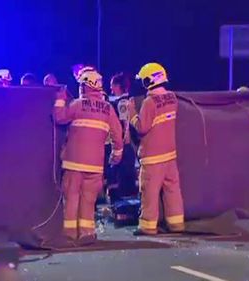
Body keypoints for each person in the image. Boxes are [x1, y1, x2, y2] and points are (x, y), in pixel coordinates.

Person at [54, 67, 124, 245]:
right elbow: (117, 134)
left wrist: (60, 99)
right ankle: (87, 233)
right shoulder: (108, 109)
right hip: (95, 165)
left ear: (86, 86)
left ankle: (69, 234)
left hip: (73, 163)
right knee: (88, 200)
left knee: (71, 199)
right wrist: (116, 155)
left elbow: (59, 117)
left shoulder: (77, 105)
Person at [128, 62, 184, 236]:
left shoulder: (149, 102)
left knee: (149, 193)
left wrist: (132, 115)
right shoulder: (172, 97)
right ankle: (176, 224)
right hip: (170, 154)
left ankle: (147, 226)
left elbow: (142, 128)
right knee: (172, 191)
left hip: (152, 157)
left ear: (148, 81)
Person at [106, 72, 138, 202]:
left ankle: (124, 203)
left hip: (124, 143)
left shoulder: (122, 102)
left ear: (118, 86)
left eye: (112, 85)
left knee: (123, 173)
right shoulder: (128, 99)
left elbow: (125, 122)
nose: (111, 88)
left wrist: (125, 138)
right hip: (125, 143)